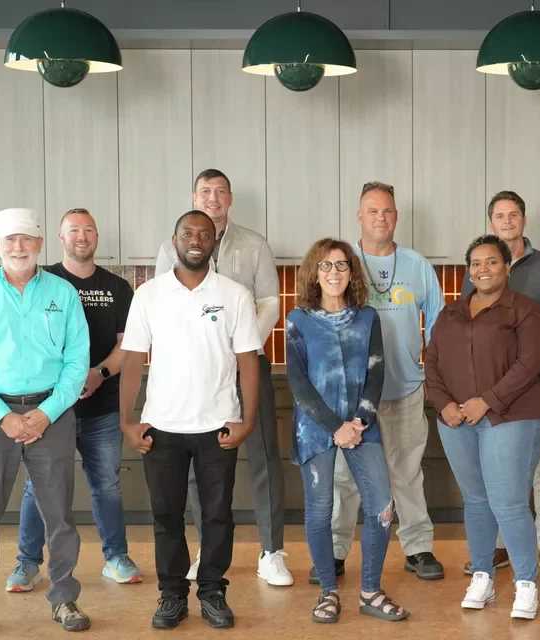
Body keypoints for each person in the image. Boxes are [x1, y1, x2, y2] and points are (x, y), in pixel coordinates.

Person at [0, 208, 91, 639]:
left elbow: (76, 360)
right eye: (9, 240)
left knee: (58, 512)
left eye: (26, 239)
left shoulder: (63, 294)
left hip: (53, 412)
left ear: (40, 245)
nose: (18, 247)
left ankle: (64, 597)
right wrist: (3, 416)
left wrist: (47, 412)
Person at [121, 211, 260, 630]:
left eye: (205, 234)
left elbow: (248, 361)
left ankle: (213, 592)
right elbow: (131, 360)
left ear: (215, 241)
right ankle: (172, 595)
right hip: (161, 427)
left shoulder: (234, 295)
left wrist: (247, 421)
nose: (196, 240)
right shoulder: (149, 294)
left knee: (217, 516)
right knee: (166, 516)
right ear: (174, 239)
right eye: (188, 233)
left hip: (217, 426)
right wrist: (128, 421)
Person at [155, 169, 291, 586]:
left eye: (219, 192)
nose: (212, 198)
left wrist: (243, 347)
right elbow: (163, 305)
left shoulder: (254, 244)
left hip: (247, 365)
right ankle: (204, 551)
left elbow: (269, 300)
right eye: (204, 192)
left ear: (230, 198)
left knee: (264, 455)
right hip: (196, 374)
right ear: (194, 197)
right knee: (198, 462)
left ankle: (272, 552)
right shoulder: (170, 246)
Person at [7, 208, 142, 593]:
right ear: (60, 238)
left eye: (88, 230)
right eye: (73, 230)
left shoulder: (118, 288)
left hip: (102, 408)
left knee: (107, 485)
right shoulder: (41, 282)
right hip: (49, 411)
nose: (82, 236)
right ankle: (27, 563)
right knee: (38, 486)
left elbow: (127, 348)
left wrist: (99, 374)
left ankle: (115, 557)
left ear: (96, 237)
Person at [319, 182, 446, 583]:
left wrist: (432, 375)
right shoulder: (340, 263)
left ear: (396, 216)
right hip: (352, 398)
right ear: (359, 216)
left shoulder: (417, 265)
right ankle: (337, 551)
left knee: (407, 472)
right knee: (345, 477)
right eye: (372, 211)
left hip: (405, 388)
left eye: (388, 211)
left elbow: (441, 327)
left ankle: (418, 548)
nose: (381, 218)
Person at [425, 234, 540, 620]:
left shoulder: (525, 311)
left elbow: (529, 364)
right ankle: (482, 575)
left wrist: (488, 401)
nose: (483, 269)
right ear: (469, 271)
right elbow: (431, 362)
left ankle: (526, 584)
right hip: (457, 421)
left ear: (507, 267)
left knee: (508, 503)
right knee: (476, 501)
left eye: (492, 262)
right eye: (476, 263)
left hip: (508, 417)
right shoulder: (450, 314)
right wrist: (443, 403)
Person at [287, 238, 409, 624]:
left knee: (382, 507)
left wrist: (359, 422)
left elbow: (376, 372)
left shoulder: (368, 317)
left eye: (341, 265)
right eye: (325, 266)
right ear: (314, 273)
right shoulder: (298, 320)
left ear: (351, 272)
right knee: (320, 510)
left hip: (362, 425)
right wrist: (334, 426)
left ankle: (370, 590)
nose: (334, 273)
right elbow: (297, 381)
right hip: (315, 427)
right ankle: (328, 591)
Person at [460, 191, 540, 579]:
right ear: (491, 223)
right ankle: (499, 547)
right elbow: (467, 324)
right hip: (489, 393)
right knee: (497, 470)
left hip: (538, 381)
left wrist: (527, 358)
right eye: (500, 216)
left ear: (524, 220)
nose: (507, 221)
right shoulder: (479, 268)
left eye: (514, 215)